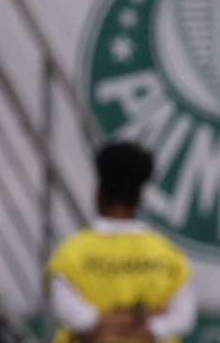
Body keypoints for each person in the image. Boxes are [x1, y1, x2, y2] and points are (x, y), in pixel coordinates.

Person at [46, 142, 196, 343]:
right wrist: (145, 319)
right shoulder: (169, 254)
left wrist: (103, 326)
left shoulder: (70, 254)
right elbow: (181, 319)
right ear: (139, 198)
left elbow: (75, 317)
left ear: (98, 194)